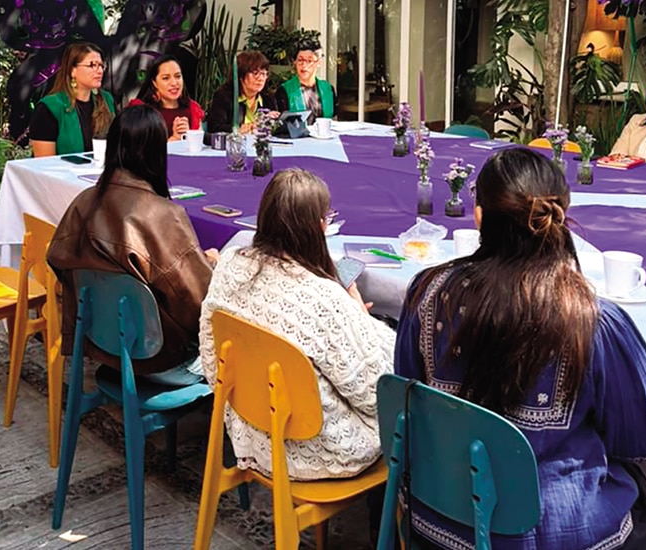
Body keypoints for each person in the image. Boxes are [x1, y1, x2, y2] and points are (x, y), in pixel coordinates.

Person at [394, 148, 646, 550]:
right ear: (559, 216)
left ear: (479, 216)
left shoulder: (428, 292)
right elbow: (643, 439)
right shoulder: (592, 320)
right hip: (557, 530)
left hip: (439, 516)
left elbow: (409, 396)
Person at [198, 167, 396, 480]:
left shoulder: (230, 263)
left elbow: (211, 360)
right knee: (411, 404)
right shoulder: (324, 298)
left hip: (250, 433)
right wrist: (360, 316)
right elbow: (378, 395)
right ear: (319, 226)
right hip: (323, 452)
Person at [47, 104, 219, 385]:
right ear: (157, 153)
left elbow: (56, 258)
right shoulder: (162, 214)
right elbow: (197, 303)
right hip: (157, 357)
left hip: (97, 344)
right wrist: (211, 267)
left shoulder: (83, 201)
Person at [29, 42, 116, 157]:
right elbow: (44, 163)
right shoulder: (50, 108)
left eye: (101, 65)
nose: (100, 71)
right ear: (72, 70)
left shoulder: (107, 100)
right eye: (92, 65)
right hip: (61, 169)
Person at [128, 54, 205, 142]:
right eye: (166, 78)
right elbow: (136, 147)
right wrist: (173, 139)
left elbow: (198, 145)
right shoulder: (140, 111)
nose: (174, 83)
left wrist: (189, 135)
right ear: (154, 82)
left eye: (178, 76)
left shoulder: (192, 109)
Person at [205, 50, 281, 136]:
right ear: (241, 75)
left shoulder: (268, 98)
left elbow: (277, 130)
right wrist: (239, 129)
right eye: (255, 73)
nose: (261, 78)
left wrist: (272, 123)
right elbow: (214, 128)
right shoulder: (224, 96)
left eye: (264, 74)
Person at [275, 38, 338, 125]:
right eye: (300, 60)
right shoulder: (284, 91)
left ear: (318, 62)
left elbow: (333, 119)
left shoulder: (328, 89)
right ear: (295, 62)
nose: (304, 65)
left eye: (309, 61)